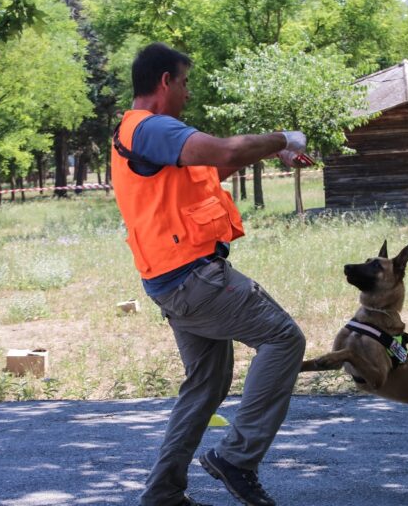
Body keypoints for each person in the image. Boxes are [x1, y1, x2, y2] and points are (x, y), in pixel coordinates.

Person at [110, 42, 307, 506]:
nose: (188, 92)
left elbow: (222, 161)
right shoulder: (151, 128)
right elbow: (226, 149)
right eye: (184, 82)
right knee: (284, 339)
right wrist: (284, 138)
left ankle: (163, 493)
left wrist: (270, 154)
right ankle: (237, 458)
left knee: (207, 383)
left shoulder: (150, 133)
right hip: (193, 280)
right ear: (164, 82)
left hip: (173, 279)